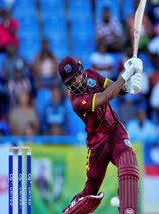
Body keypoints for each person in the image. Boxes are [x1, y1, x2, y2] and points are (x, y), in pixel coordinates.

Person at [58, 56, 142, 214]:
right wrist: (125, 75)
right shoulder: (76, 101)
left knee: (129, 165)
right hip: (97, 144)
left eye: (76, 75)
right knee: (89, 195)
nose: (76, 81)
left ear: (81, 69)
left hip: (115, 131)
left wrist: (129, 84)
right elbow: (106, 97)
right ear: (67, 84)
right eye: (71, 80)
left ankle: (128, 210)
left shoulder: (91, 74)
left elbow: (116, 89)